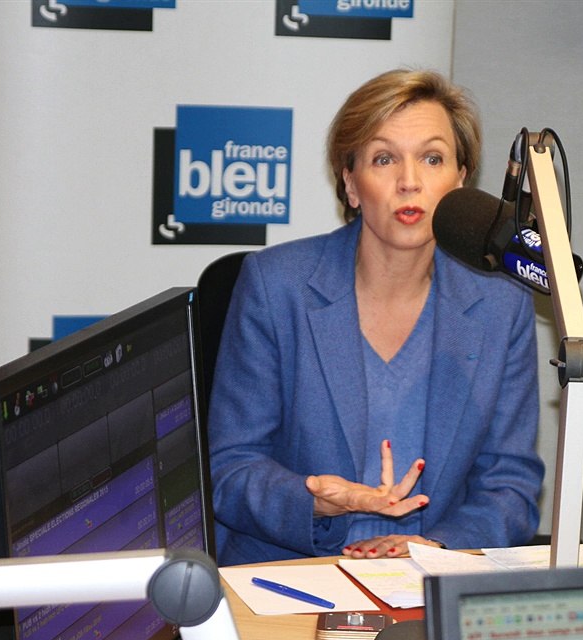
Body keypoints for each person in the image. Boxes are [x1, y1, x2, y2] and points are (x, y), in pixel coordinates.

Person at [208, 68, 545, 565]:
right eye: (384, 159)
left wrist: (433, 549)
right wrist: (315, 503)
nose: (410, 182)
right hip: (290, 575)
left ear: (460, 181)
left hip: (430, 581)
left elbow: (510, 486)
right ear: (350, 183)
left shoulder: (501, 304)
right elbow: (229, 469)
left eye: (432, 158)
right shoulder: (276, 285)